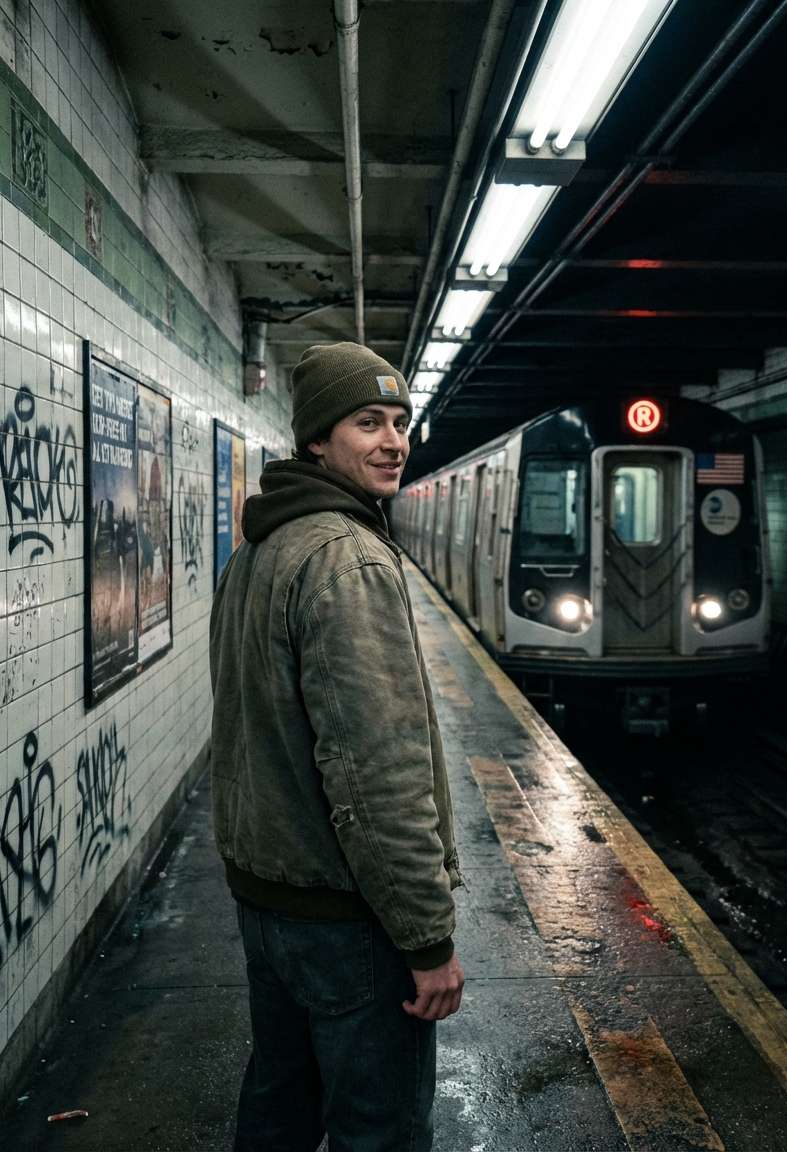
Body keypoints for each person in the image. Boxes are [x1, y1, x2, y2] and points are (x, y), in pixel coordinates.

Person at [209, 342, 464, 1152]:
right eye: (367, 423)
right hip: (346, 919)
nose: (393, 441)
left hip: (269, 900)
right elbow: (376, 773)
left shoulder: (258, 549)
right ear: (319, 440)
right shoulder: (347, 558)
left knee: (279, 1110)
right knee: (377, 1128)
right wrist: (428, 941)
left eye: (400, 422)